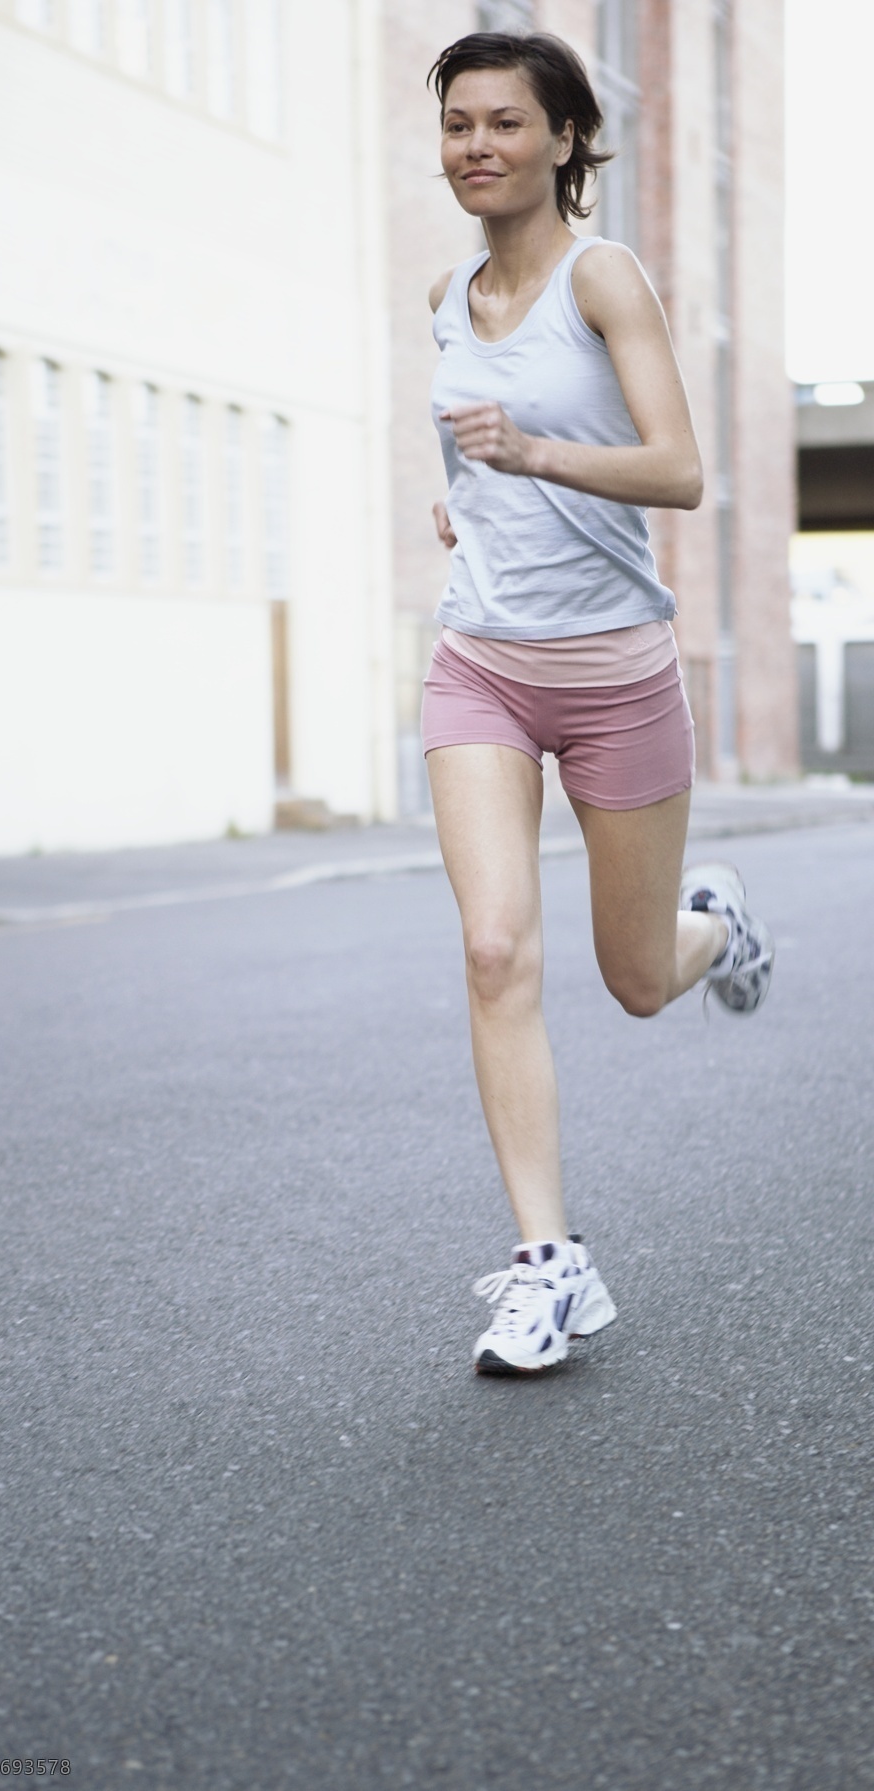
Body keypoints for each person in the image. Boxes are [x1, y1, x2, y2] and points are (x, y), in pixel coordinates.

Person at [421, 31, 774, 1376]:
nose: (477, 147)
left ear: (567, 139)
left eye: (506, 123)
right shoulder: (443, 293)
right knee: (495, 951)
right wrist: (462, 508)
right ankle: (549, 1265)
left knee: (634, 981)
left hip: (620, 667)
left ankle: (715, 920)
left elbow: (682, 471)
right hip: (483, 664)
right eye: (458, 125)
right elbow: (465, 450)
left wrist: (534, 454)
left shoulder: (603, 275)